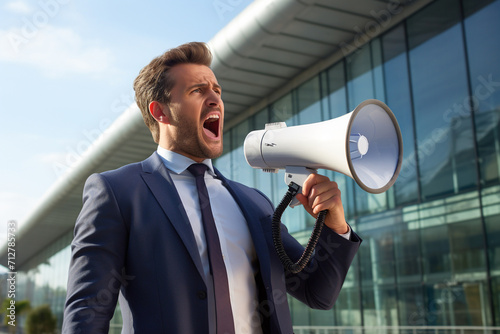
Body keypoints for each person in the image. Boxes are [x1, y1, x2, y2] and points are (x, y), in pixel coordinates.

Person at [62, 42, 361, 334]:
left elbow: (317, 292)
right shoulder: (117, 192)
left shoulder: (255, 203)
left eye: (217, 90)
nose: (215, 98)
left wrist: (336, 226)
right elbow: (87, 311)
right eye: (197, 90)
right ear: (160, 112)